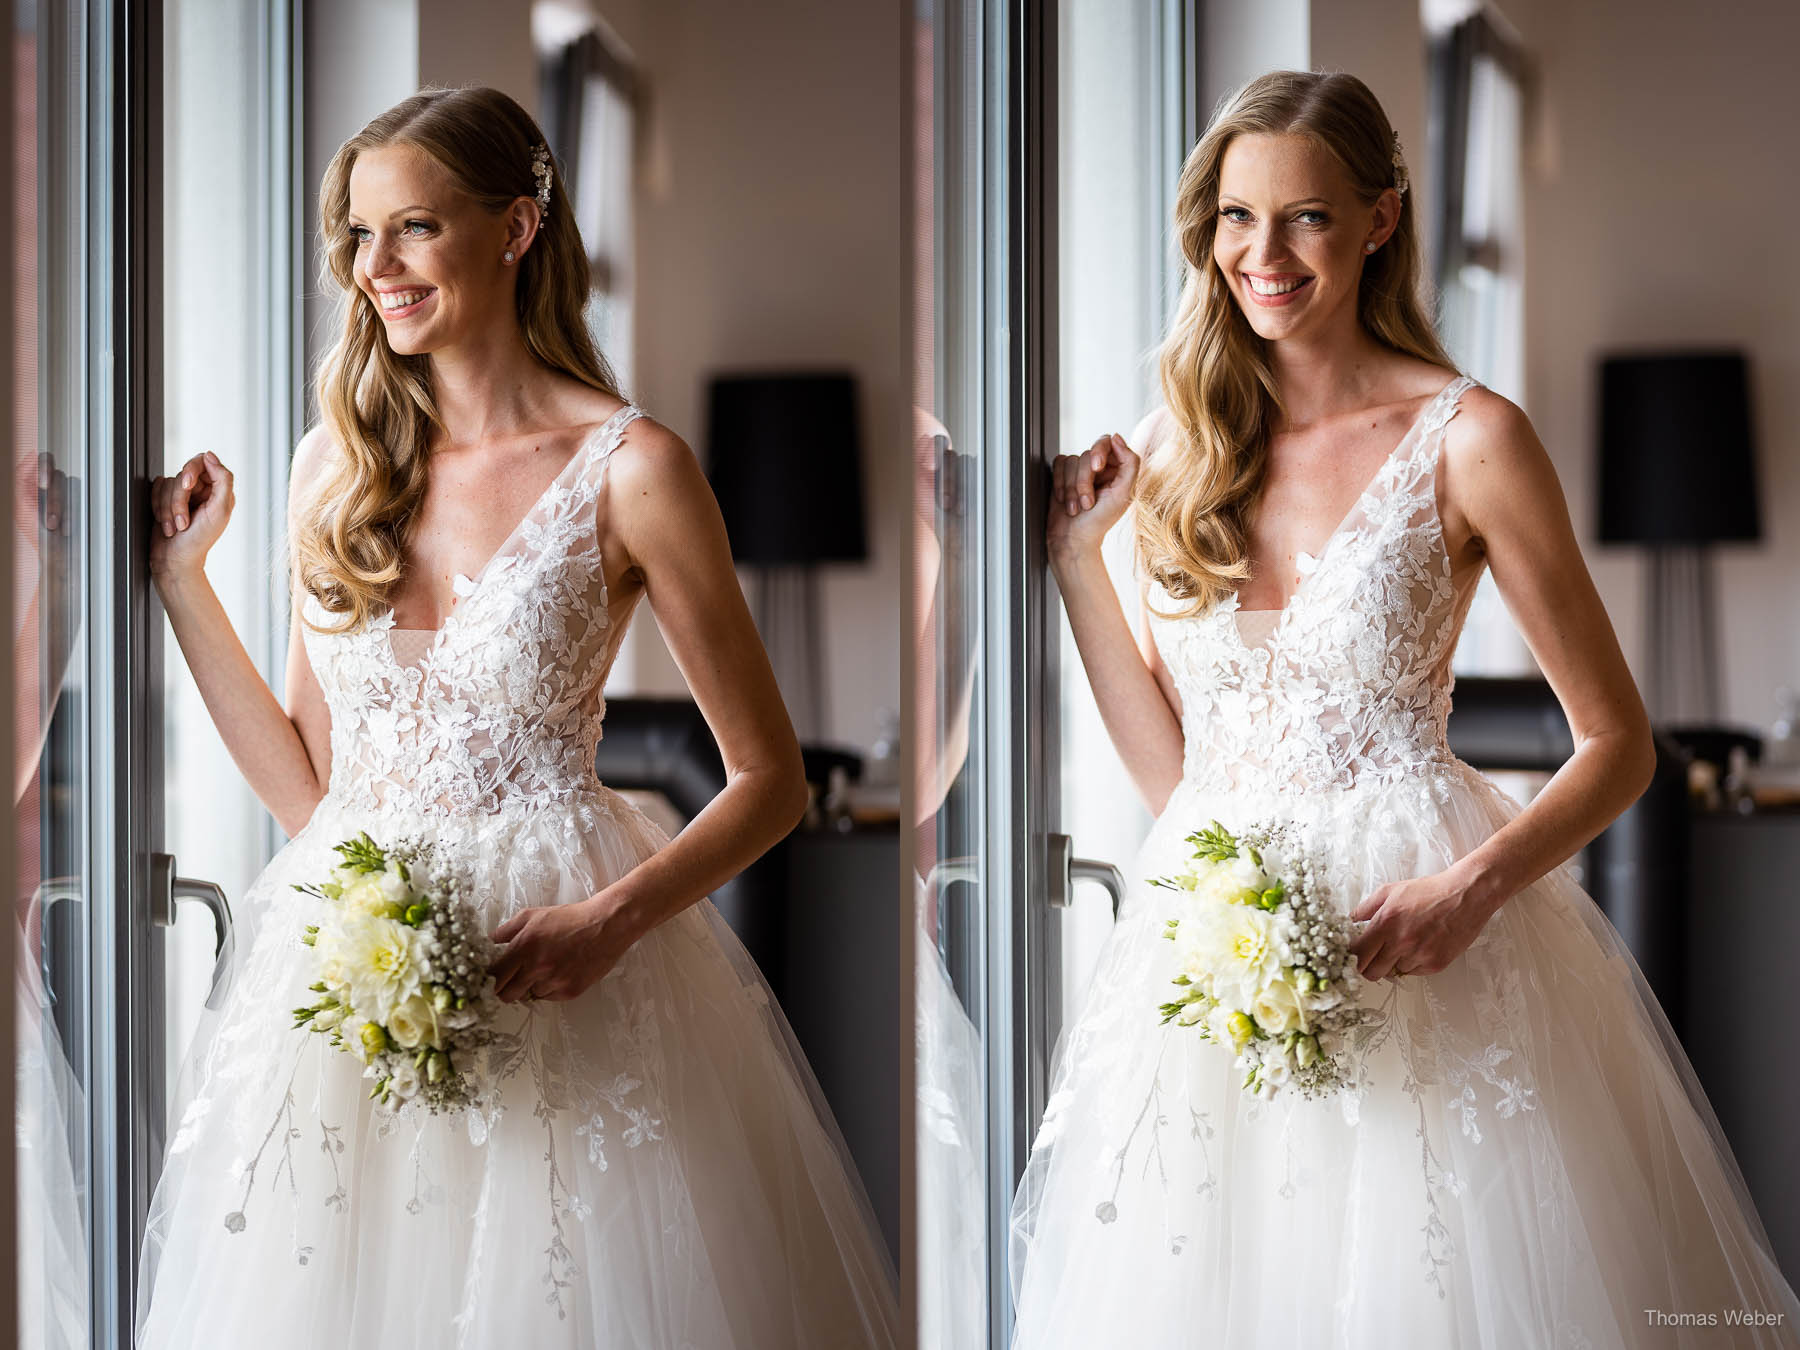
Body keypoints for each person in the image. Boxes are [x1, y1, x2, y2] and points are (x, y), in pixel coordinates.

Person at [1011, 68, 1800, 1348]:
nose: (1264, 256)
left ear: (1380, 220)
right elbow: (1181, 786)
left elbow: (1620, 746)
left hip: (1425, 946)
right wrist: (1072, 564)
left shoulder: (1470, 438)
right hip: (1208, 970)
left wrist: (1470, 891)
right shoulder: (1177, 445)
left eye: (1307, 218)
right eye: (1235, 219)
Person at [135, 85, 901, 1349]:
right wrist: (183, 584)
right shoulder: (332, 462)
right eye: (359, 238)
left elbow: (769, 779)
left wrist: (609, 922)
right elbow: (312, 792)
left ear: (516, 226)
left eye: (415, 230)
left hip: (568, 957)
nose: (377, 269)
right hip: (344, 967)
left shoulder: (633, 468)